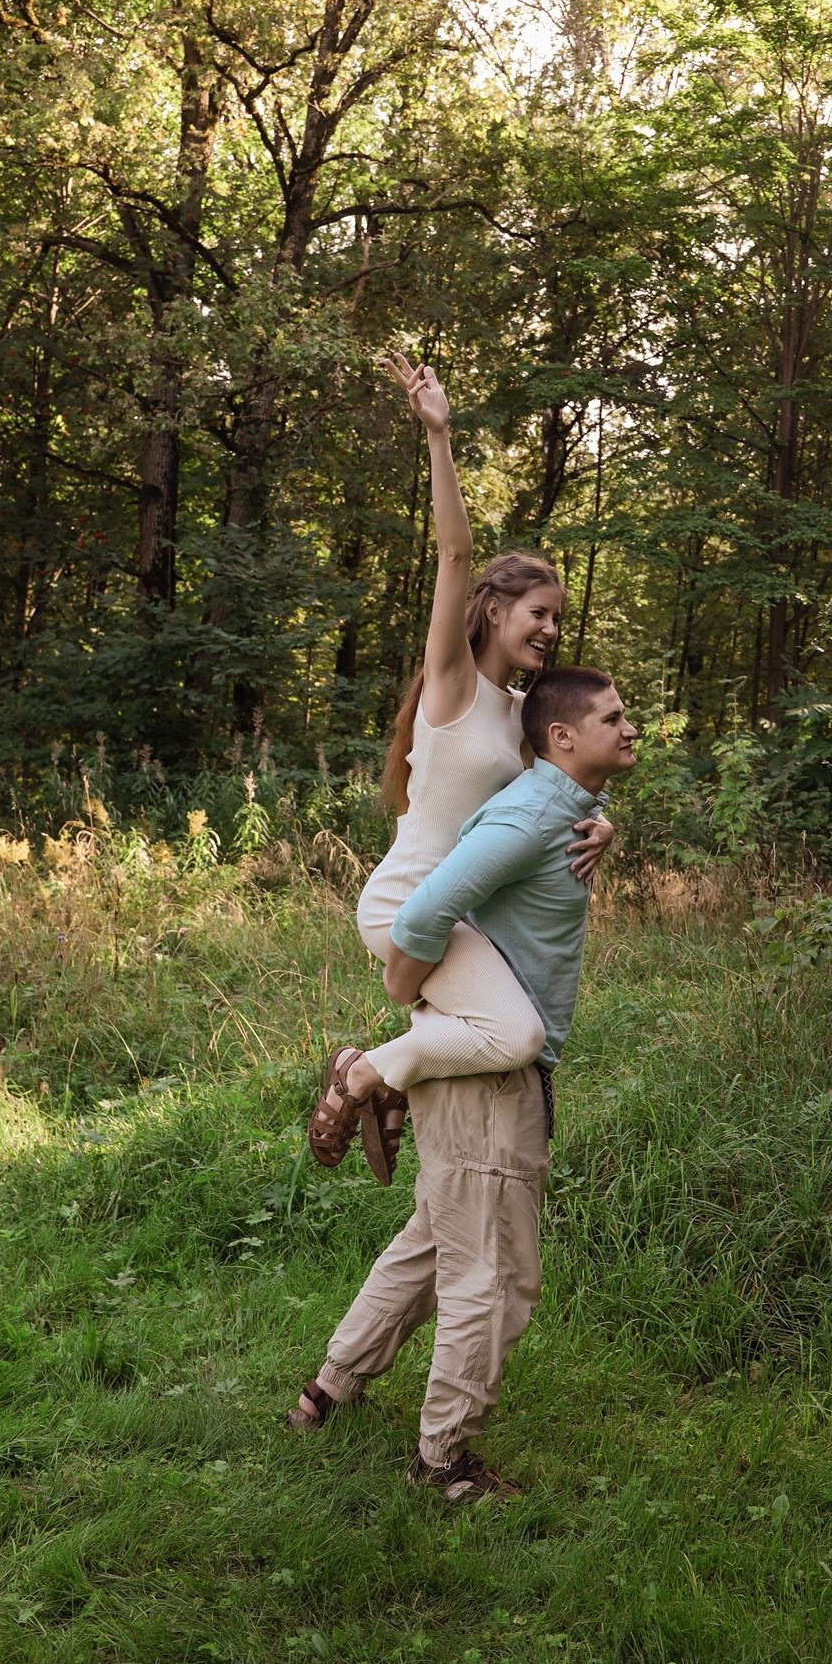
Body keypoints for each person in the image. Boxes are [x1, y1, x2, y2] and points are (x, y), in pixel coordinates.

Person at [287, 667, 639, 1500]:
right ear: (561, 736)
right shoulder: (530, 812)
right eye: (614, 718)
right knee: (492, 1279)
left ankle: (326, 1391)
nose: (631, 729)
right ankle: (443, 1461)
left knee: (432, 1245)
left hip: (471, 1065)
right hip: (491, 1077)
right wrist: (404, 993)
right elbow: (425, 910)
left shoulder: (559, 808)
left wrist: (602, 825)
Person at [306, 353, 613, 1188]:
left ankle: (400, 1092)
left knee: (512, 1039)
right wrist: (439, 435)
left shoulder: (523, 720)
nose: (550, 630)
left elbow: (561, 790)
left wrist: (604, 826)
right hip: (410, 902)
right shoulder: (450, 687)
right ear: (493, 610)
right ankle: (365, 1071)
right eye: (536, 614)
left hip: (461, 917)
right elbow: (452, 551)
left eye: (557, 618)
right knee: (513, 1038)